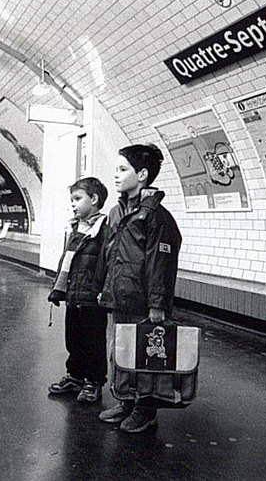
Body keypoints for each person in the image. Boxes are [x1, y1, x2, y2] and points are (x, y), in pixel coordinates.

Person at [97, 143, 182, 433]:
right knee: (119, 353)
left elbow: (161, 263)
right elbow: (109, 255)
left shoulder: (156, 217)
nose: (117, 176)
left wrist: (158, 305)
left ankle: (146, 408)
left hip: (143, 301)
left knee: (147, 357)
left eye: (123, 169)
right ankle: (126, 399)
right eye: (116, 170)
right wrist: (103, 287)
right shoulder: (116, 212)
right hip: (118, 297)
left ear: (142, 174)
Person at [47, 177, 109, 403]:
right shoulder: (75, 227)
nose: (73, 204)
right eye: (71, 199)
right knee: (73, 338)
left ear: (94, 199)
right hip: (74, 294)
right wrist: (58, 288)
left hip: (92, 296)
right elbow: (67, 261)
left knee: (93, 340)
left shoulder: (104, 227)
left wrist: (104, 290)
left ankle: (93, 381)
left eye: (77, 198)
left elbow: (106, 261)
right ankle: (75, 376)